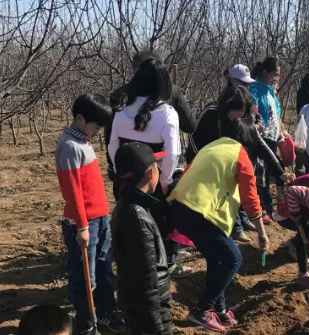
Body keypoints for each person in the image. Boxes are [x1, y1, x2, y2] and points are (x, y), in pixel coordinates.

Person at [168, 118, 270, 332]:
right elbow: (250, 198)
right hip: (199, 212)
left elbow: (189, 171)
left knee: (217, 258)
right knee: (234, 258)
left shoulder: (214, 145)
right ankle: (202, 310)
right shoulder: (240, 156)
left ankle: (220, 309)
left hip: (179, 207)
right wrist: (262, 234)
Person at [108, 58, 191, 279]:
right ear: (163, 84)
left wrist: (121, 172)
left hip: (125, 181)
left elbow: (112, 145)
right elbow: (172, 154)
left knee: (130, 224)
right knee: (158, 228)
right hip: (152, 182)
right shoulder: (167, 114)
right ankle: (162, 270)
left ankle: (130, 267)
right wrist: (164, 183)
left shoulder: (121, 109)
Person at [55, 94, 125, 335]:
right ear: (80, 118)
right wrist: (82, 227)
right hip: (84, 223)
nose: (98, 131)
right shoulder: (69, 146)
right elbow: (73, 191)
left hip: (99, 217)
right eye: (96, 126)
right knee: (86, 277)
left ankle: (106, 310)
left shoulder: (82, 140)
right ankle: (86, 324)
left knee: (104, 267)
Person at [187, 85, 292, 240]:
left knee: (233, 193)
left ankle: (237, 224)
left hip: (224, 165)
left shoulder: (244, 120)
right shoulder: (211, 113)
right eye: (232, 110)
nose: (236, 114)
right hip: (201, 162)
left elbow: (259, 144)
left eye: (240, 110)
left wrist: (280, 172)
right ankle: (205, 231)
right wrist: (202, 160)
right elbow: (192, 136)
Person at [112, 142, 173, 335]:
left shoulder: (128, 204)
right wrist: (156, 326)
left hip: (139, 307)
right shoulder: (137, 218)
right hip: (149, 311)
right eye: (157, 166)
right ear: (150, 174)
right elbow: (146, 278)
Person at [106, 50, 195, 180]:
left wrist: (114, 166)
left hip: (125, 166)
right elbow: (190, 126)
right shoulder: (172, 93)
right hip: (160, 169)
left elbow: (111, 137)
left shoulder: (121, 97)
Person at [249, 56, 282, 221]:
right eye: (273, 75)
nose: (275, 78)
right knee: (260, 173)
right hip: (261, 139)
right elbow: (255, 112)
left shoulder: (271, 91)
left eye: (277, 76)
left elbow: (277, 112)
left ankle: (267, 206)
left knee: (268, 173)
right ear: (264, 72)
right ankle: (261, 208)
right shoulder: (254, 89)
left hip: (272, 138)